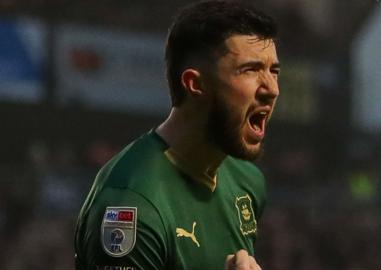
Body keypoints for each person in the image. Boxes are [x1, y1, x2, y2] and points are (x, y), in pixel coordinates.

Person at [74, 0, 280, 269]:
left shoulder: (248, 181)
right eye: (250, 70)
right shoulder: (131, 206)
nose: (272, 89)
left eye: (274, 71)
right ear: (195, 84)